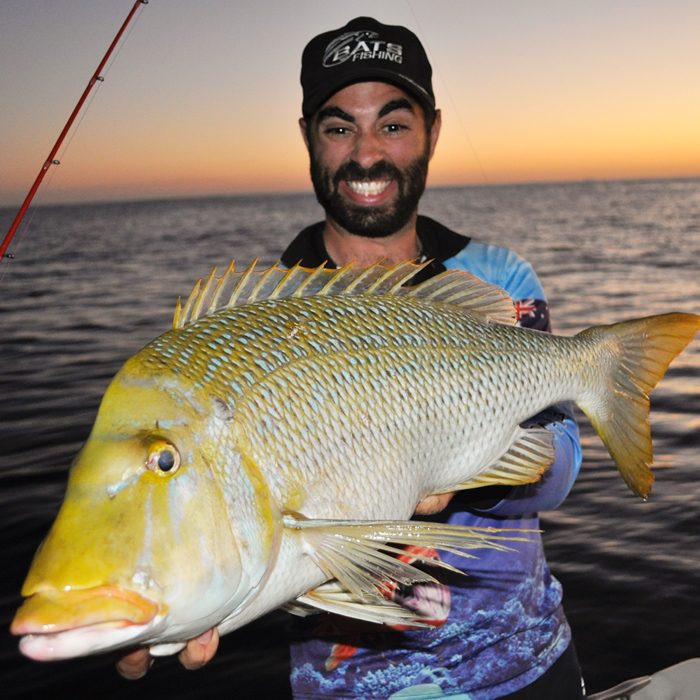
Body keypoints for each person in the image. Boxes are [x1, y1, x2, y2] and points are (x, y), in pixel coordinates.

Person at [117, 17, 585, 699]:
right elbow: (258, 527)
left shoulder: (495, 279)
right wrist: (174, 590)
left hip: (526, 667)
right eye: (339, 128)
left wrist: (463, 462)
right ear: (308, 135)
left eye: (393, 125)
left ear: (433, 130)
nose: (366, 154)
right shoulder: (258, 328)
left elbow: (563, 463)